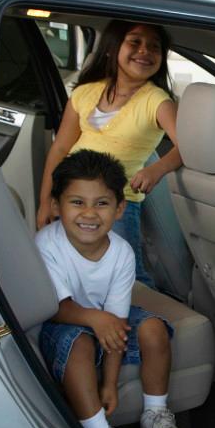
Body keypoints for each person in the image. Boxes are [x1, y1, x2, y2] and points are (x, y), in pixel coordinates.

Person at [36, 150, 187, 428]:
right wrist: (96, 319)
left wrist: (110, 383)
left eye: (101, 203)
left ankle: (155, 413)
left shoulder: (120, 252)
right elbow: (55, 308)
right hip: (61, 324)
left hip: (103, 319)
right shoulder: (46, 244)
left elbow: (117, 320)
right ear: (55, 206)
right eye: (77, 202)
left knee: (154, 329)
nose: (89, 214)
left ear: (119, 209)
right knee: (80, 343)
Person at [36, 20, 181, 287]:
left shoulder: (157, 101)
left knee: (125, 276)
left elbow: (186, 146)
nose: (145, 51)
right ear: (112, 48)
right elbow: (60, 148)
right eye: (135, 42)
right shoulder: (85, 93)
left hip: (116, 205)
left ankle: (144, 323)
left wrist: (155, 169)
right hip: (72, 200)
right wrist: (47, 201)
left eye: (154, 47)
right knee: (75, 273)